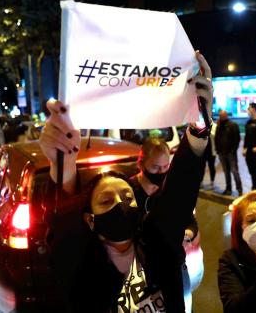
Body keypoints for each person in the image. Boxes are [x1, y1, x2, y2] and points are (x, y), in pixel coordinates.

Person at [39, 51, 213, 313]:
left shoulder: (157, 243)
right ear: (89, 218)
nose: (121, 203)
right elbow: (62, 227)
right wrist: (62, 163)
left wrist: (199, 123)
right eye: (107, 200)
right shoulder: (81, 264)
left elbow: (180, 190)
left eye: (128, 197)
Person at [127, 136, 204, 312]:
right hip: (141, 272)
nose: (161, 172)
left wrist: (186, 234)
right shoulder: (129, 191)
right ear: (142, 163)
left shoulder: (170, 190)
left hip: (175, 268)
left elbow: (191, 222)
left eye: (165, 167)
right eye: (155, 167)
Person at [214, 110, 242, 196]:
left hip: (231, 153)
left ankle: (239, 189)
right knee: (226, 172)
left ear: (226, 115)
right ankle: (228, 189)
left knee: (234, 171)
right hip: (222, 153)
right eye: (219, 115)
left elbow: (237, 139)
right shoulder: (219, 126)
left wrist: (233, 150)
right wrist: (218, 150)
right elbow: (216, 138)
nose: (220, 117)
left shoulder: (233, 125)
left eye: (222, 115)